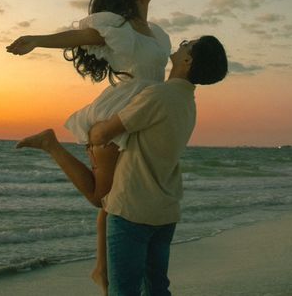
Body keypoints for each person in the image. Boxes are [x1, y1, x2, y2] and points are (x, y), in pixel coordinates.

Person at [6, 0, 171, 294]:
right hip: (121, 110)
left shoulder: (155, 32)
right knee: (102, 197)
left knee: (115, 199)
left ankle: (101, 269)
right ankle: (51, 144)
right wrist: (38, 40)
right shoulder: (116, 27)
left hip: (147, 110)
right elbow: (80, 37)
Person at [88, 35, 228, 296]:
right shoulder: (188, 102)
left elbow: (102, 135)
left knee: (125, 291)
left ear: (187, 60)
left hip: (133, 209)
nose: (181, 44)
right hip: (164, 211)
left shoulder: (159, 95)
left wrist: (92, 125)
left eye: (187, 44)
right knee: (156, 288)